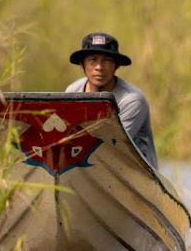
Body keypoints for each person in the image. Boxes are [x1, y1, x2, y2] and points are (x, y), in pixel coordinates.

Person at [65, 32, 158, 168]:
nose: (99, 67)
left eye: (107, 60)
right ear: (82, 64)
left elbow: (110, 145)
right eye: (93, 60)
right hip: (90, 169)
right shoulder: (73, 91)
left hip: (133, 173)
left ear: (117, 65)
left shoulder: (132, 100)